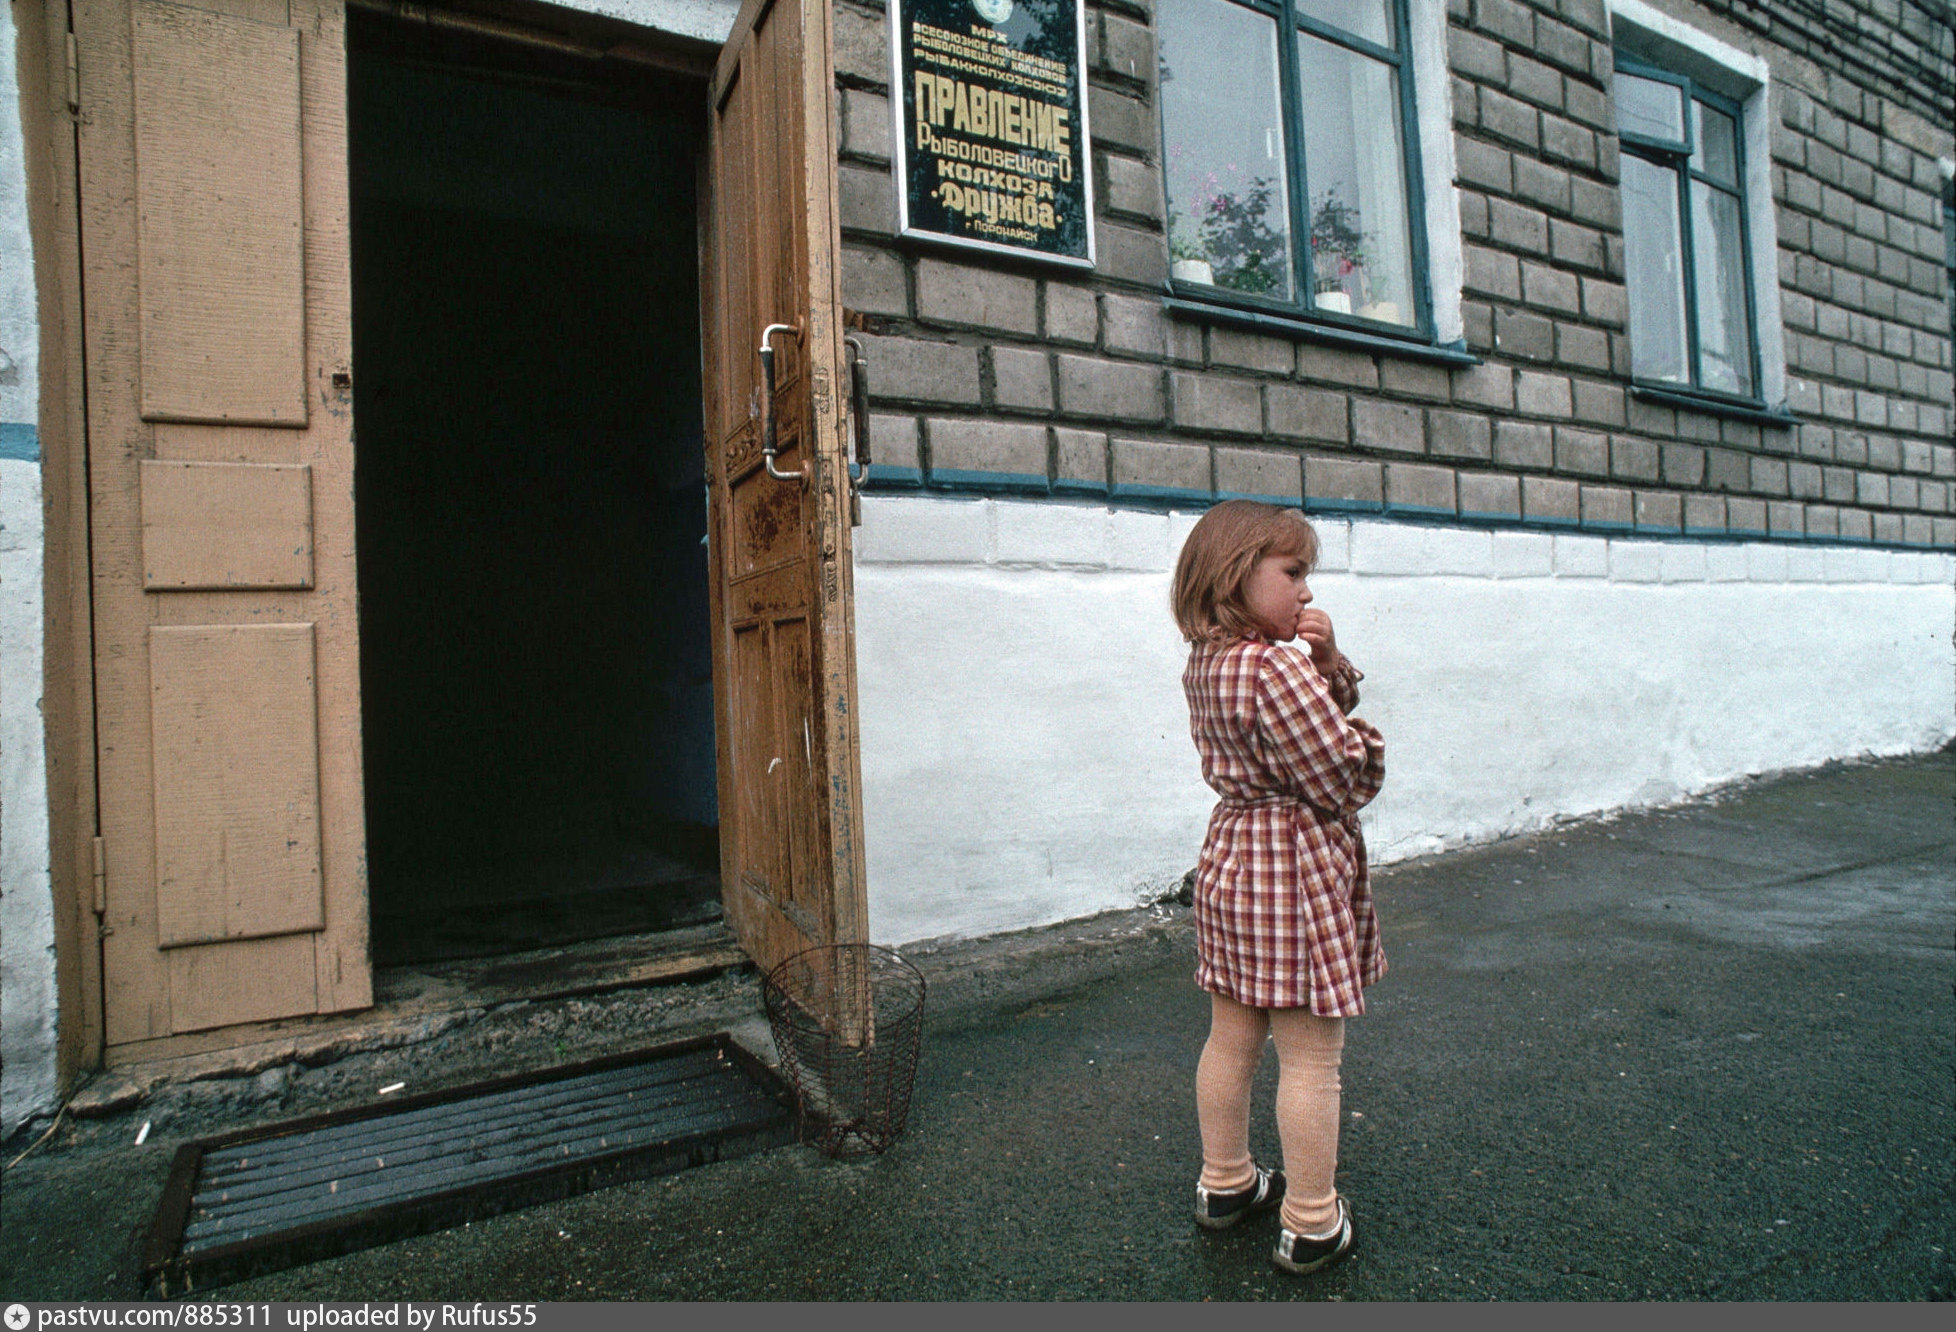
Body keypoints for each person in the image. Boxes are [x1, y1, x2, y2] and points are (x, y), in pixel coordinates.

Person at [1169, 500, 1387, 1275]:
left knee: (1232, 1036)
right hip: (1290, 872)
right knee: (1311, 1058)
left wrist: (1331, 664)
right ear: (1235, 574)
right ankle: (1311, 1220)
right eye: (1292, 572)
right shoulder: (1275, 667)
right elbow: (1335, 775)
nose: (1306, 591)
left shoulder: (1208, 659)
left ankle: (1224, 1184)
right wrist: (1348, 713)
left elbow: (1281, 743)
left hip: (1233, 865)